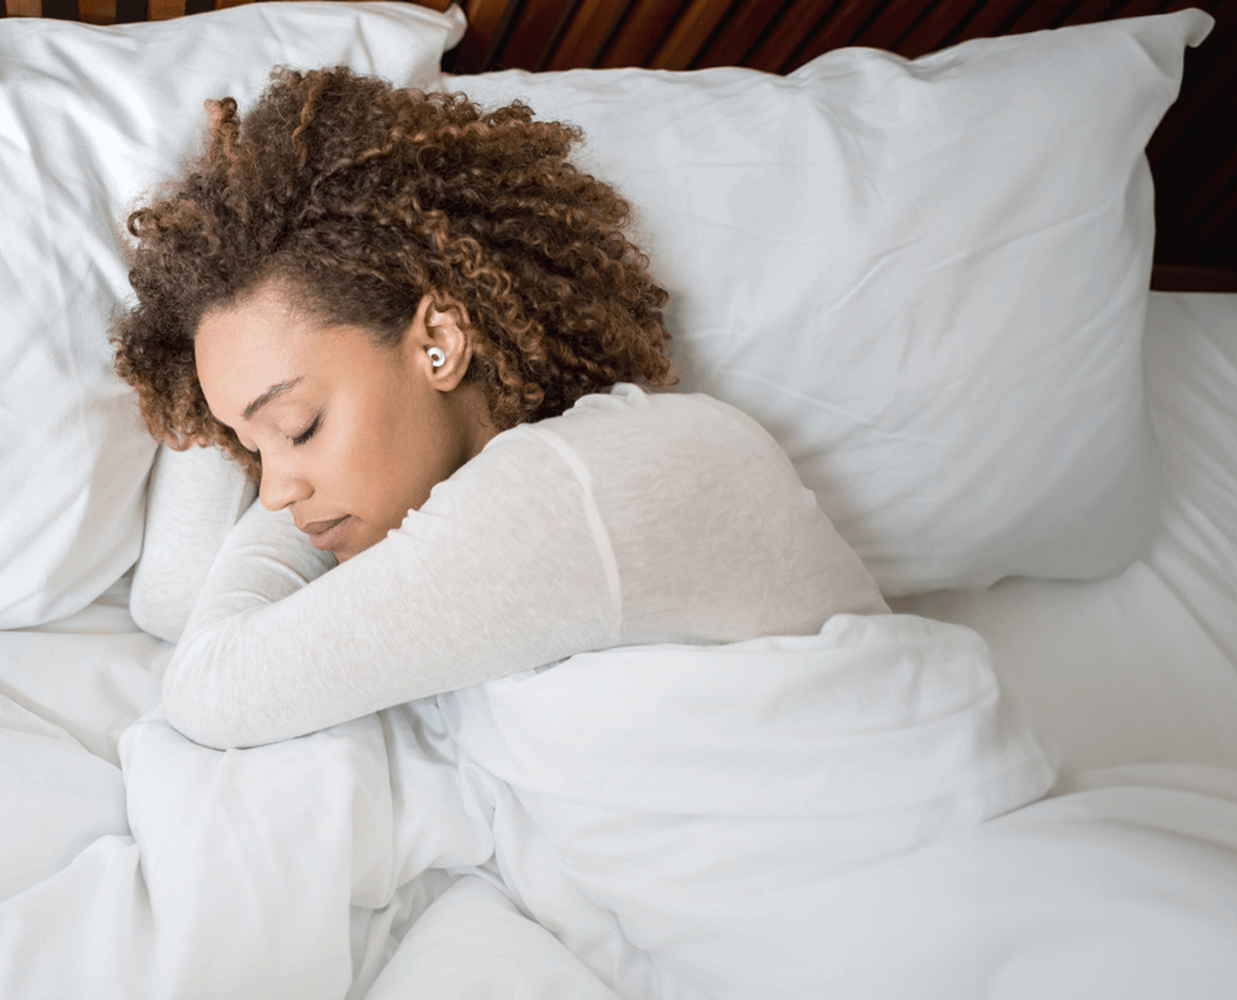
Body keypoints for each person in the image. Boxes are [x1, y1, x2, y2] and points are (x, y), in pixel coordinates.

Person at [111, 66, 887, 750]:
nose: (274, 492)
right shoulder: (473, 499)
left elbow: (215, 686)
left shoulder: (576, 488)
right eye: (250, 455)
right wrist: (230, 365)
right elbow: (174, 604)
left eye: (299, 428)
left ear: (439, 342)